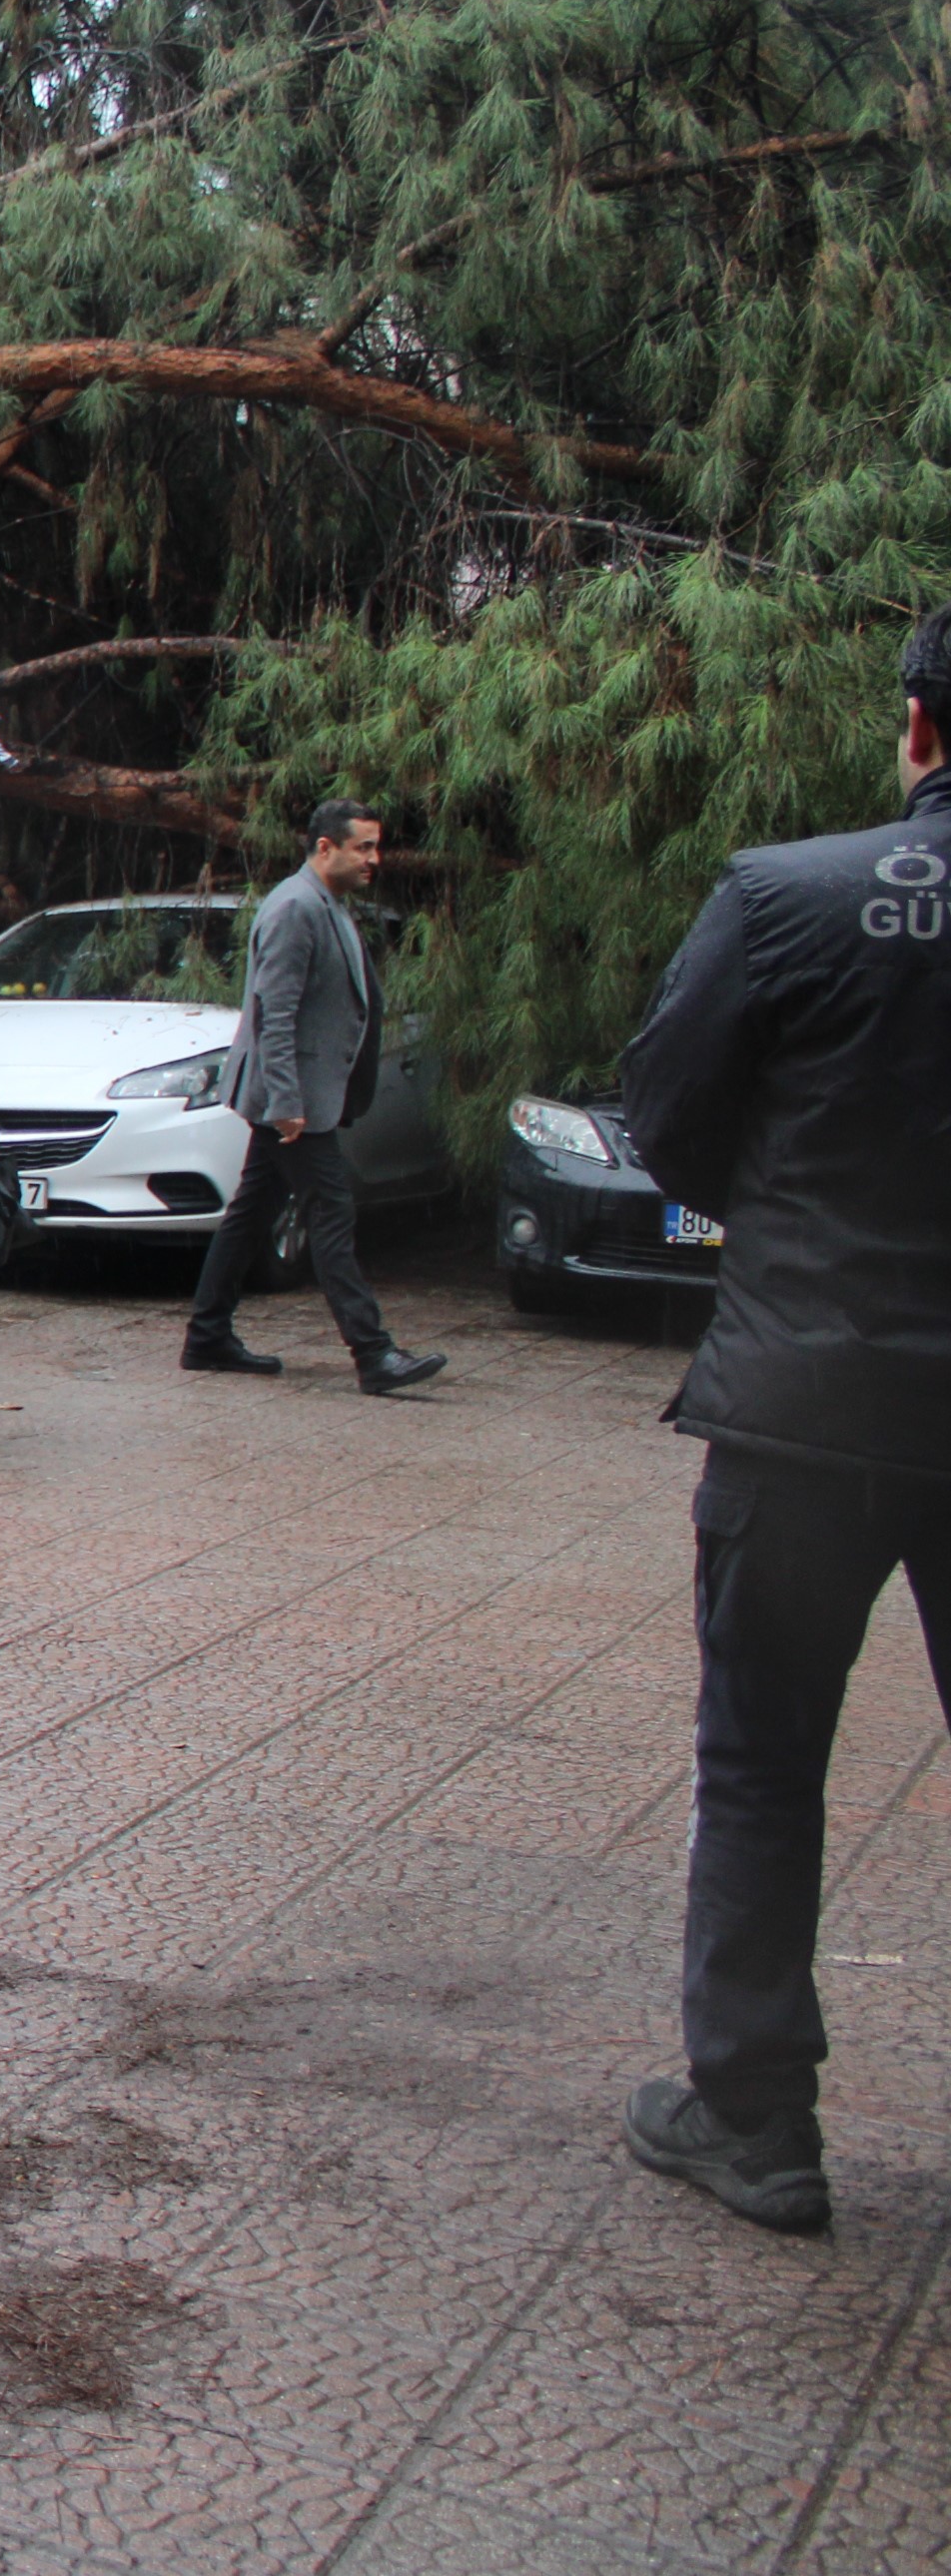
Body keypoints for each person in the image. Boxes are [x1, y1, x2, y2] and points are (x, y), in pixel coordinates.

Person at [609, 604, 951, 2235]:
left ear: (917, 727)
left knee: (758, 1765)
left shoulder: (786, 895)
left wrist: (793, 1216)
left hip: (806, 1400)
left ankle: (754, 2122)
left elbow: (666, 1117)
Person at [180, 799, 447, 1392]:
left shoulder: (325, 903)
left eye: (376, 847)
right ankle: (374, 1354)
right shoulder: (297, 907)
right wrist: (286, 1103)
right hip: (292, 1100)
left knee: (252, 1213)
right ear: (326, 848)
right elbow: (273, 1012)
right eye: (363, 847)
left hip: (298, 1096)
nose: (374, 859)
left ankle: (207, 1336)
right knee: (331, 1212)